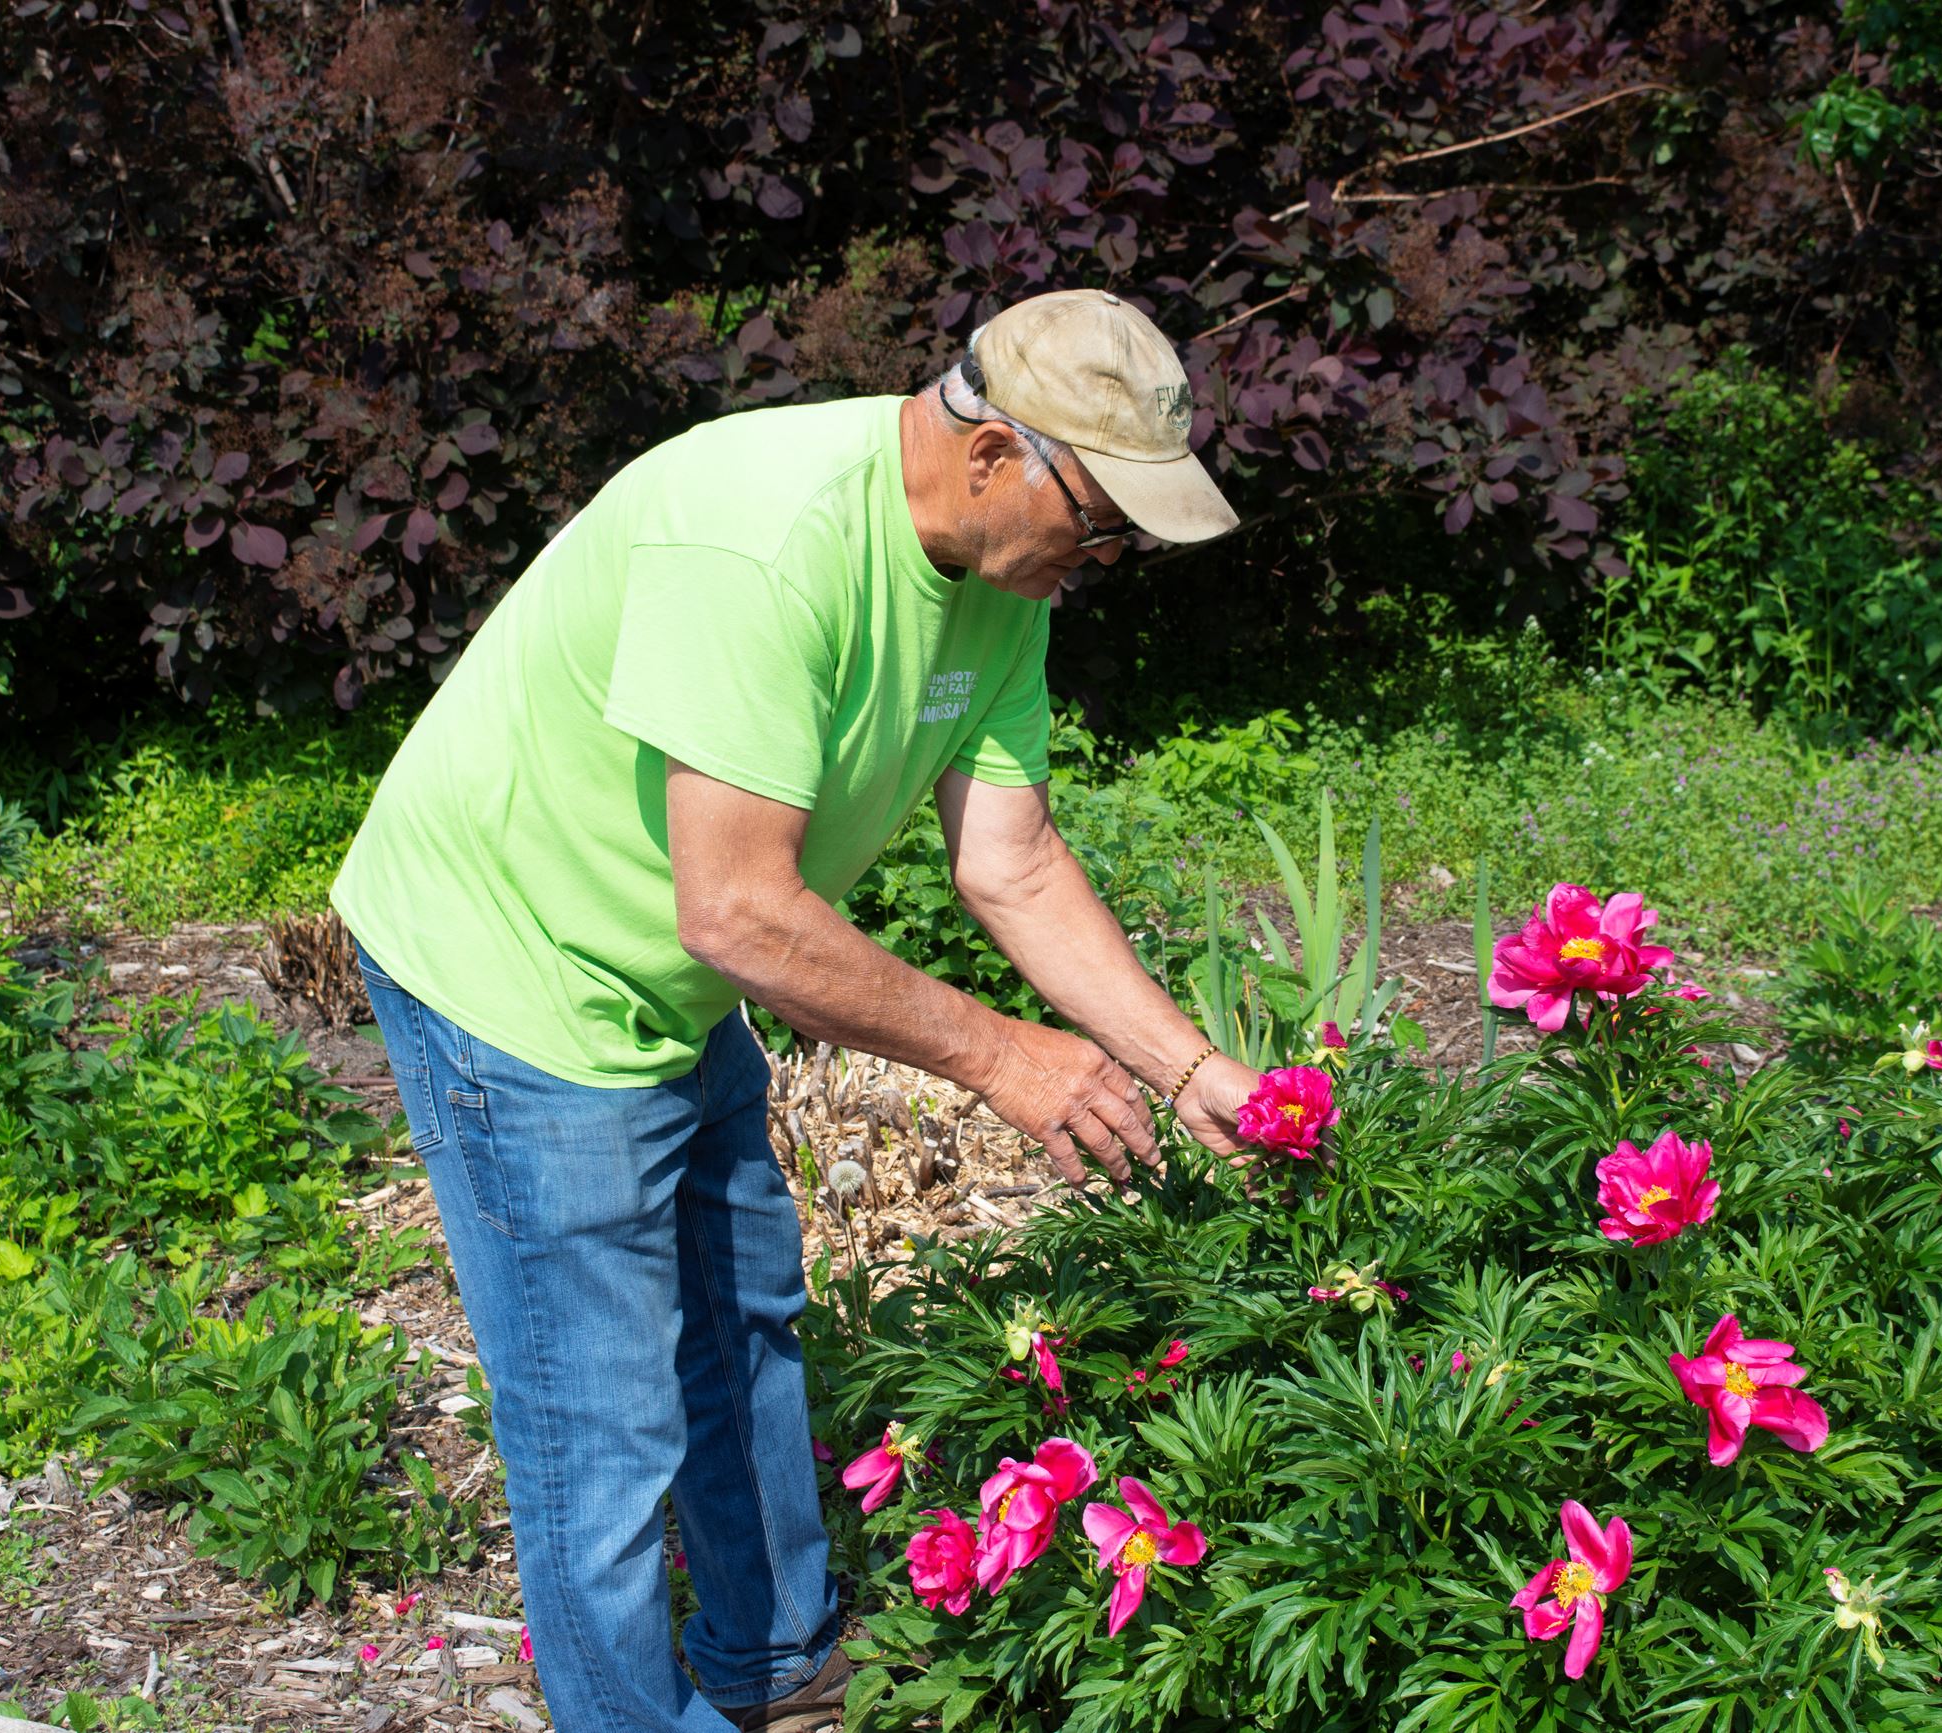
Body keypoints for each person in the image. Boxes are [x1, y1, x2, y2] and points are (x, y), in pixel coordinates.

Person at [332, 288, 1260, 1733]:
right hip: (515, 959)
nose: (1110, 557)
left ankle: (775, 1679)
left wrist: (1186, 1065)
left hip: (676, 972)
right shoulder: (769, 541)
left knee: (743, 1312)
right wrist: (1001, 1056)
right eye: (1103, 520)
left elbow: (1008, 861)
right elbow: (742, 911)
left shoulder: (1003, 583)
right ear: (997, 454)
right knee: (602, 1415)